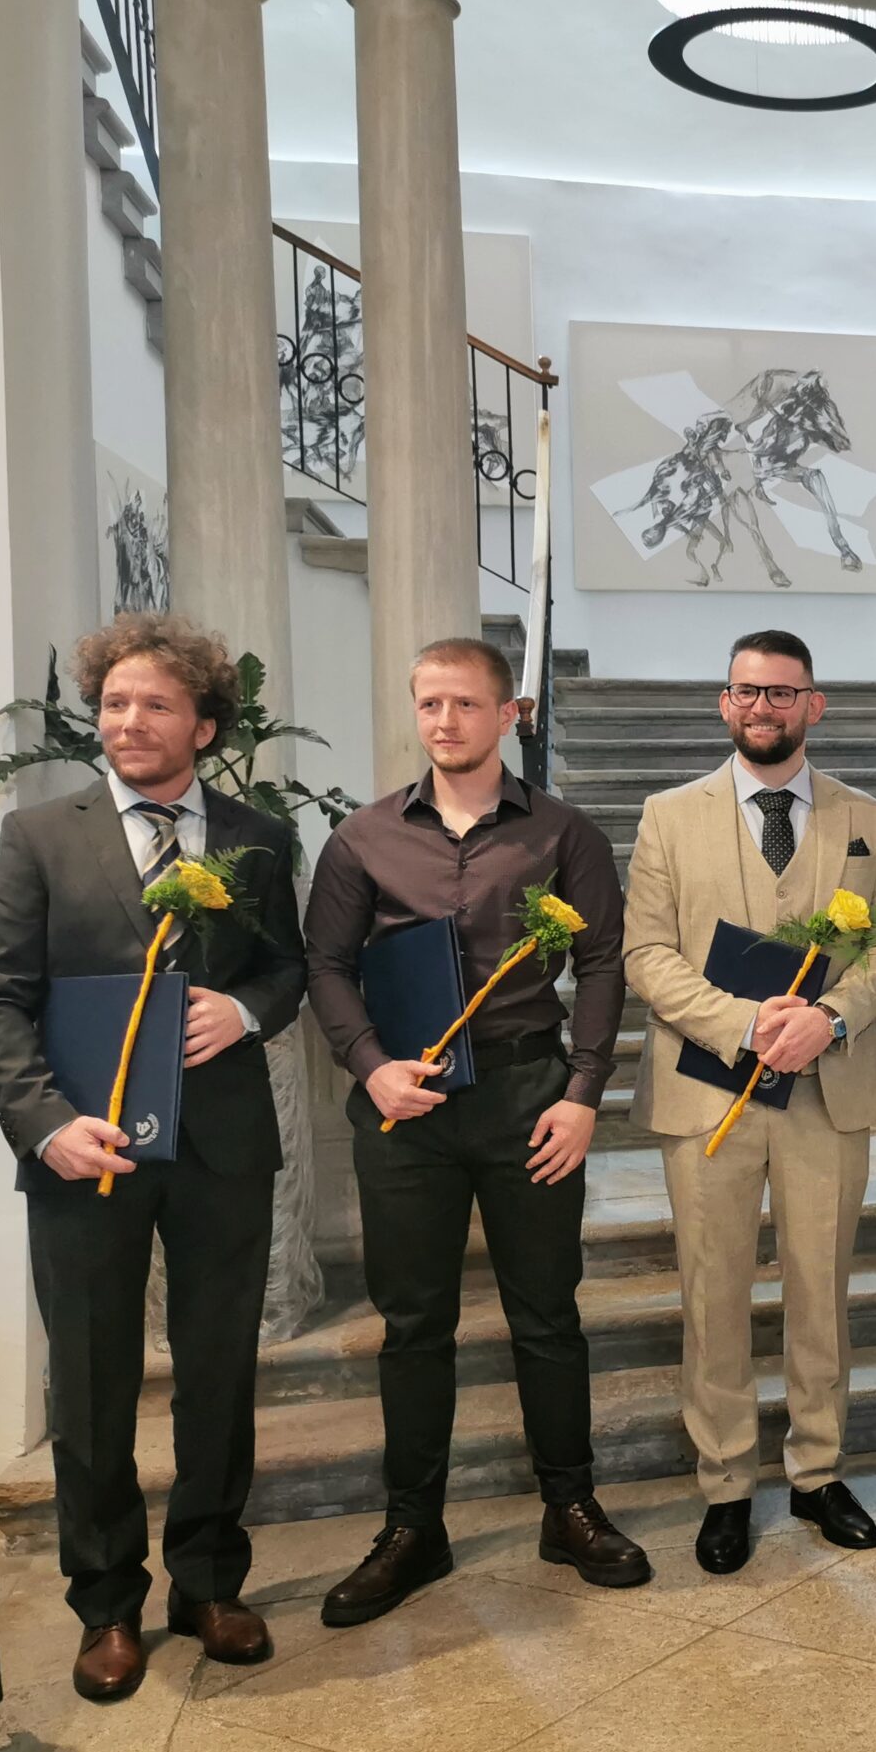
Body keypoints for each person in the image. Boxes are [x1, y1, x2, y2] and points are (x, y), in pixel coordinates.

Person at [0, 613, 304, 1701]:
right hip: (85, 1150)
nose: (129, 721)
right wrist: (47, 1123)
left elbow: (288, 970)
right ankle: (105, 1603)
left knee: (218, 1373)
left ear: (204, 725)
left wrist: (244, 1013)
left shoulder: (258, 838)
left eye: (156, 703)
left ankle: (208, 1583)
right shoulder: (40, 838)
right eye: (114, 703)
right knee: (93, 1380)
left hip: (220, 1146)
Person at [302, 638, 648, 1626]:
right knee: (413, 1325)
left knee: (547, 1315)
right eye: (429, 704)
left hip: (527, 1095)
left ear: (507, 715)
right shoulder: (363, 837)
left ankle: (569, 1507)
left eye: (464, 703)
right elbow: (326, 964)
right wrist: (370, 1064)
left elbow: (604, 961)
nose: (444, 721)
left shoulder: (564, 833)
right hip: (404, 1105)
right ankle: (413, 1526)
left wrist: (583, 1092)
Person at [622, 630, 876, 1566]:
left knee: (820, 1288)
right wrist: (745, 1023)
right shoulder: (669, 816)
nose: (763, 707)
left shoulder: (870, 820)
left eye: (783, 693)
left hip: (826, 1090)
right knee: (714, 1294)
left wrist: (829, 1018)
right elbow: (645, 953)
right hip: (707, 1095)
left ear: (813, 705)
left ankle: (818, 1473)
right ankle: (726, 1483)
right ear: (725, 702)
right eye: (747, 691)